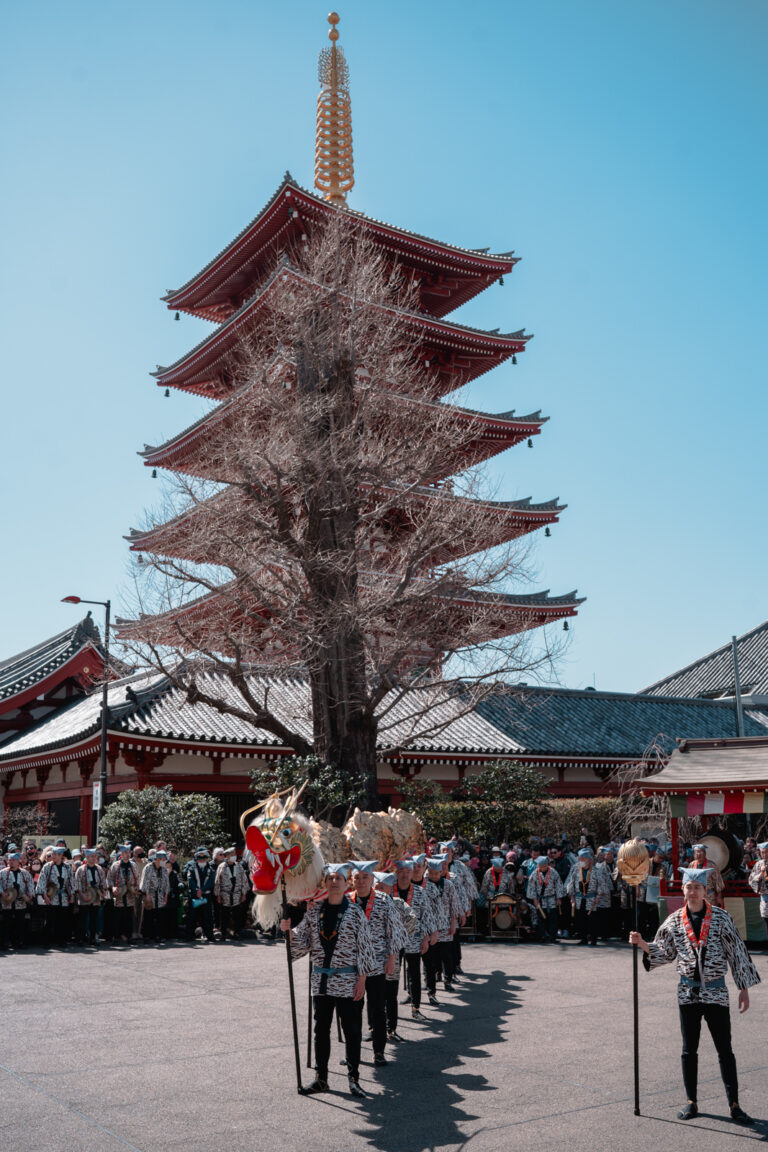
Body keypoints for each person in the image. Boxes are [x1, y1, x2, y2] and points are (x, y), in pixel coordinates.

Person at [630, 866, 759, 1125]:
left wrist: (743, 989)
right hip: (688, 991)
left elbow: (736, 953)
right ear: (683, 889)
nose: (693, 891)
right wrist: (642, 943)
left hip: (716, 991)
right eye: (688, 887)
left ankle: (734, 1104)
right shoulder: (675, 920)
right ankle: (691, 1101)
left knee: (725, 1049)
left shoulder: (721, 918)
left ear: (706, 890)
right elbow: (665, 952)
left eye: (697, 887)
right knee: (689, 1049)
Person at [280, 862, 376, 1097]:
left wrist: (362, 980)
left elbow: (365, 948)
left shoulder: (354, 912)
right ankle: (321, 1078)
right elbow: (302, 940)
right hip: (321, 982)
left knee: (352, 1031)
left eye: (339, 879)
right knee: (320, 1030)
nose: (334, 882)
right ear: (325, 883)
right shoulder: (314, 912)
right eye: (330, 878)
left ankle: (354, 1078)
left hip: (348, 981)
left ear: (346, 884)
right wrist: (289, 933)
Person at [348, 861, 406, 1066]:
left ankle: (379, 1051)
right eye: (357, 877)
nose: (361, 881)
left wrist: (391, 958)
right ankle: (352, 1054)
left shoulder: (383, 900)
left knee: (377, 1009)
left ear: (372, 880)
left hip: (377, 964)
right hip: (352, 966)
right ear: (352, 880)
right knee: (352, 1012)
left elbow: (395, 931)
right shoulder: (347, 901)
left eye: (365, 877)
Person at [394, 858, 434, 1023]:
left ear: (412, 873)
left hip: (413, 939)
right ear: (396, 873)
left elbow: (426, 916)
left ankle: (416, 1007)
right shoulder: (389, 892)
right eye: (401, 872)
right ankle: (390, 1009)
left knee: (414, 973)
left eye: (407, 872)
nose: (404, 875)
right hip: (394, 941)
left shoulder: (419, 892)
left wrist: (426, 938)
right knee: (392, 976)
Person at [566, 847, 610, 946]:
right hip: (579, 898)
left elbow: (602, 885)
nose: (580, 861)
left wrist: (598, 896)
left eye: (582, 859)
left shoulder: (596, 870)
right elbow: (571, 883)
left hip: (591, 898)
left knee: (592, 920)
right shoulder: (577, 869)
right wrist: (571, 895)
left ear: (589, 860)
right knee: (580, 919)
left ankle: (593, 939)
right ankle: (583, 938)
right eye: (579, 859)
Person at [37, 844, 75, 948]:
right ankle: (46, 941)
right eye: (53, 854)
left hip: (63, 897)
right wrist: (44, 895)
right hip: (51, 895)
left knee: (62, 920)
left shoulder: (67, 867)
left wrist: (71, 895)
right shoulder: (47, 866)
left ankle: (61, 940)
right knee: (50, 920)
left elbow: (70, 882)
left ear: (61, 855)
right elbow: (42, 881)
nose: (54, 856)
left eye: (56, 854)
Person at [0, 851, 35, 950]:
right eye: (10, 860)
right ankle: (5, 942)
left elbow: (30, 884)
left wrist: (30, 894)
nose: (11, 862)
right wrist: (2, 892)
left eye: (13, 860)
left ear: (18, 861)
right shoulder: (2, 873)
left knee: (20, 923)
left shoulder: (24, 873)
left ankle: (19, 942)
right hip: (7, 901)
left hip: (20, 901)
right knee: (7, 923)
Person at [74, 847, 108, 945]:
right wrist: (82, 895)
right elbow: (77, 884)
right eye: (92, 856)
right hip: (85, 895)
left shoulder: (99, 869)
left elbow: (103, 882)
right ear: (87, 857)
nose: (94, 858)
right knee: (83, 918)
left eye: (95, 857)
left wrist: (103, 891)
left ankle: (93, 938)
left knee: (94, 918)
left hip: (96, 896)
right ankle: (80, 938)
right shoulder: (81, 869)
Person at [214, 846, 249, 941]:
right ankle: (224, 934)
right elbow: (217, 881)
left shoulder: (239, 866)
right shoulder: (221, 867)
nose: (234, 856)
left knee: (237, 915)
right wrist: (218, 895)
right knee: (224, 916)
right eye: (232, 855)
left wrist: (244, 893)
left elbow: (244, 880)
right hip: (225, 895)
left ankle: (236, 933)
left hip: (237, 894)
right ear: (227, 857)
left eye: (235, 855)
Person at [527, 854, 564, 943]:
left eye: (542, 866)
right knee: (541, 919)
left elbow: (559, 885)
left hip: (551, 899)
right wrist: (534, 899)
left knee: (553, 919)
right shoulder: (535, 873)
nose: (541, 868)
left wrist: (559, 898)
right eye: (539, 866)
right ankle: (542, 936)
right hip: (540, 900)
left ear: (546, 865)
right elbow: (531, 887)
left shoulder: (553, 872)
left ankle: (552, 937)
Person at [109, 844, 140, 943]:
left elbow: (137, 879)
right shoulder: (115, 865)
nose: (127, 854)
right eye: (125, 852)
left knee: (129, 916)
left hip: (130, 894)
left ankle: (128, 935)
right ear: (121, 853)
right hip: (119, 895)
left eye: (129, 852)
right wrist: (113, 887)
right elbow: (109, 879)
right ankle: (116, 936)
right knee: (118, 916)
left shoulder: (133, 865)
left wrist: (136, 888)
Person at [140, 849, 170, 943]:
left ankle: (159, 935)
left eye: (165, 859)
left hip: (160, 895)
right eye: (162, 859)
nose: (164, 861)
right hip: (151, 894)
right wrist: (147, 895)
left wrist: (166, 896)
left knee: (160, 916)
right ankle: (147, 936)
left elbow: (167, 883)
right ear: (157, 859)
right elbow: (145, 882)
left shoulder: (164, 869)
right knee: (149, 916)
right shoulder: (148, 867)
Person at [187, 847, 216, 942]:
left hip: (206, 896)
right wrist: (197, 890)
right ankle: (189, 936)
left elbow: (211, 882)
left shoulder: (210, 869)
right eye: (200, 859)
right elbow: (190, 881)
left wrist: (202, 890)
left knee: (207, 917)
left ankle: (210, 936)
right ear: (196, 859)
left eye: (204, 859)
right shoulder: (191, 868)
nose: (202, 860)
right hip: (195, 896)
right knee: (192, 916)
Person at [691, 844, 724, 908]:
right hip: (696, 895)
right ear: (694, 854)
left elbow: (717, 881)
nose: (698, 854)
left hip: (709, 895)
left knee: (709, 914)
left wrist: (719, 897)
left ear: (705, 853)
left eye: (701, 851)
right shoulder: (691, 865)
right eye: (697, 852)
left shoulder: (711, 865)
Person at [748, 841, 768, 940]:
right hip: (765, 897)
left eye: (766, 852)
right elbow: (751, 880)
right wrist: (761, 874)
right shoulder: (759, 864)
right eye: (763, 852)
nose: (765, 854)